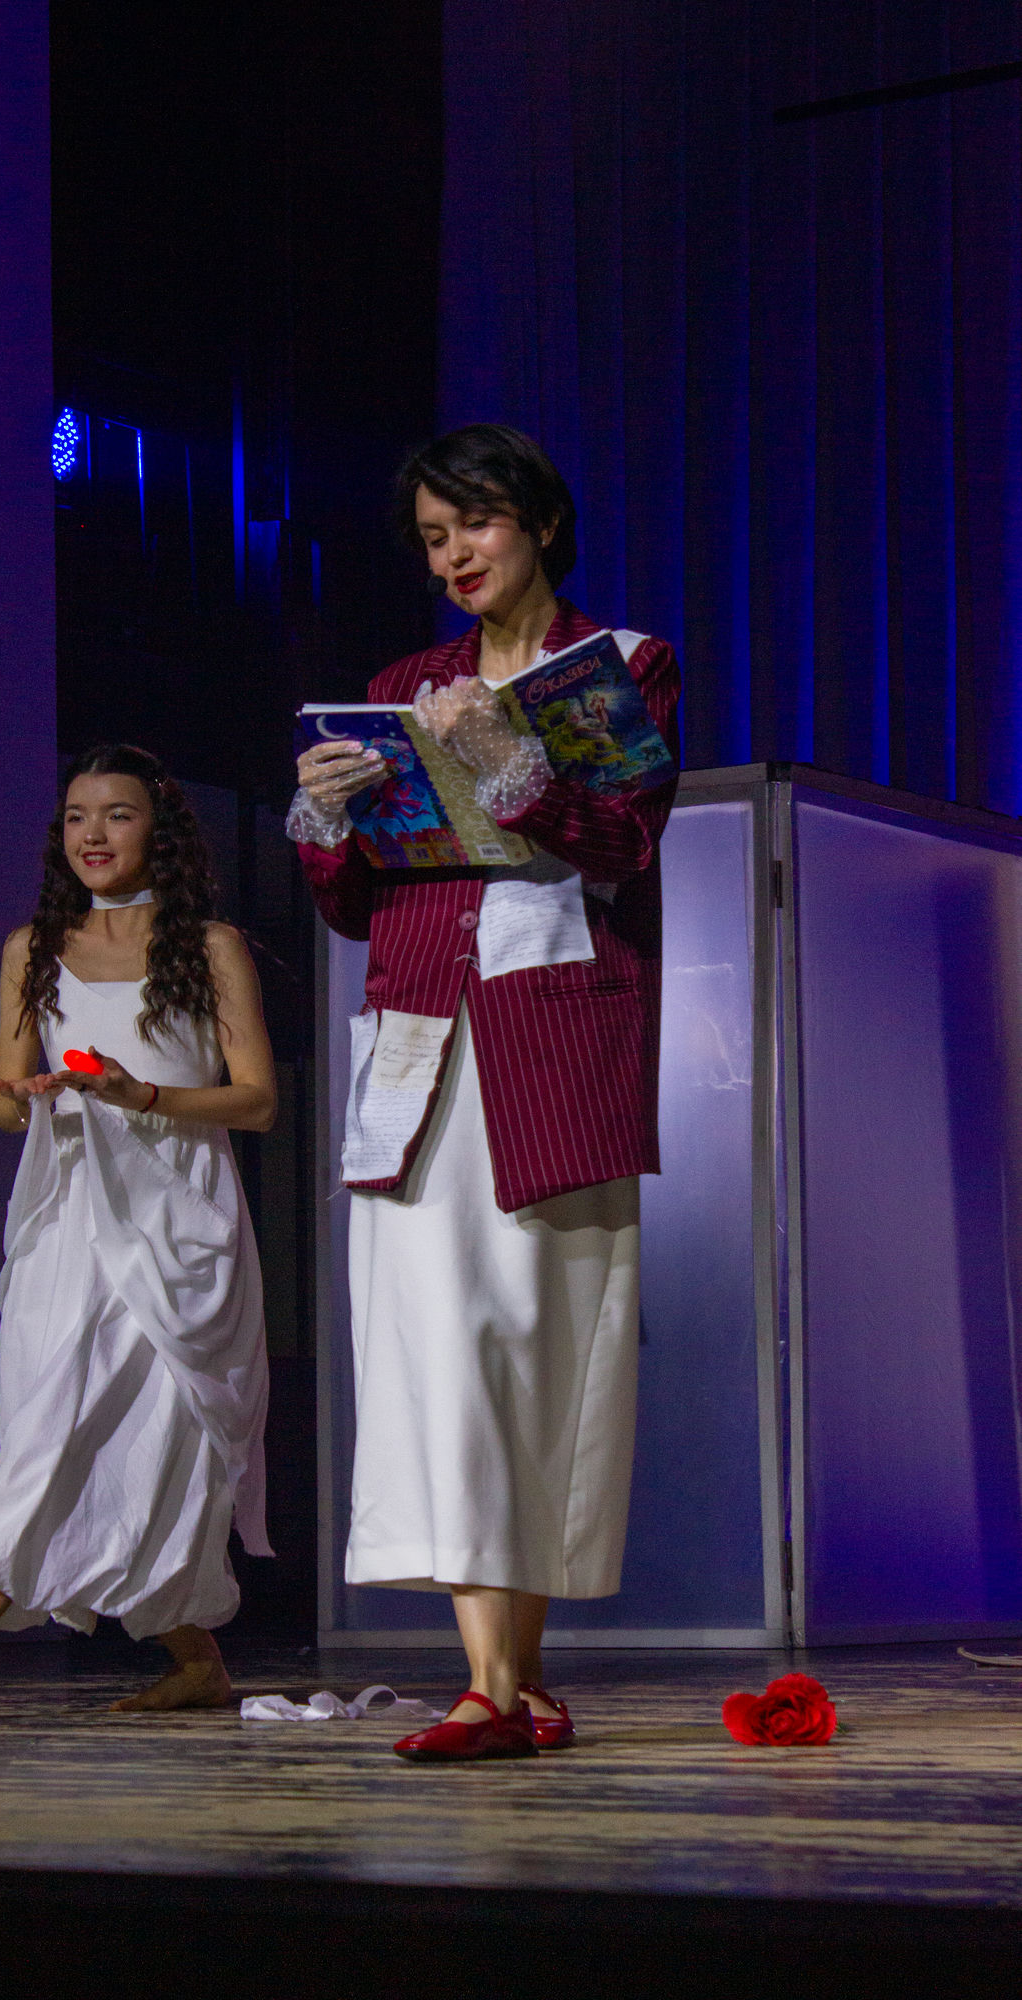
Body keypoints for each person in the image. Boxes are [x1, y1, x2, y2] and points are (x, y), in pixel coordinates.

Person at [289, 424, 680, 1761]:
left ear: (541, 523)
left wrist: (510, 764)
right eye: (432, 537)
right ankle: (489, 1688)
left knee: (539, 1342)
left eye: (475, 524)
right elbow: (357, 908)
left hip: (555, 1043)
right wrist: (327, 819)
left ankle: (518, 1680)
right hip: (417, 1047)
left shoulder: (622, 664)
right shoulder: (400, 686)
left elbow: (625, 839)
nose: (454, 554)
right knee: (432, 1347)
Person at [0, 745, 276, 1723]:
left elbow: (256, 1101)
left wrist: (140, 1092)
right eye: (77, 816)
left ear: (157, 831)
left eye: (116, 814)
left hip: (178, 1214)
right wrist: (23, 1094)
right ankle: (187, 1658)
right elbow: (5, 1106)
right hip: (72, 1204)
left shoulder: (210, 945)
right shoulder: (30, 947)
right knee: (54, 1413)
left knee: (158, 1436)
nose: (92, 833)